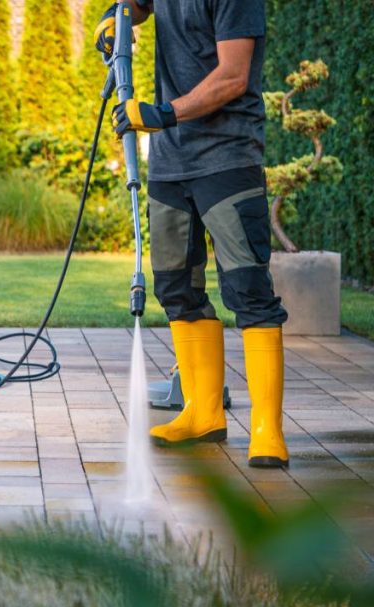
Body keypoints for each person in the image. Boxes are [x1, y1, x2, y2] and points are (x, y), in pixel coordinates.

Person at [95, 0, 289, 468]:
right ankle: (202, 412)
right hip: (170, 161)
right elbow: (139, 5)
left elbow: (233, 75)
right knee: (176, 289)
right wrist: (117, 16)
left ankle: (267, 428)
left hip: (228, 156)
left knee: (248, 289)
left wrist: (163, 114)